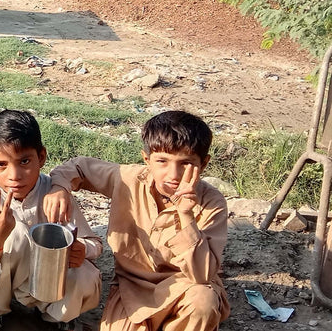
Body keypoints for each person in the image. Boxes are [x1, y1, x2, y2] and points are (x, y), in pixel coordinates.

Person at [44, 110, 229, 331]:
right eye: (162, 161)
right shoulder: (128, 179)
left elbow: (202, 276)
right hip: (133, 289)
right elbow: (78, 167)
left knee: (203, 302)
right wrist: (59, 188)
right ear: (147, 159)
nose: (173, 174)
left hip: (186, 286)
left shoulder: (212, 202)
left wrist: (186, 216)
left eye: (185, 163)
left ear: (204, 163)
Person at [0, 110, 102, 331]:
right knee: (14, 235)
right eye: (1, 164)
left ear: (42, 157)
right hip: (1, 280)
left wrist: (82, 249)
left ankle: (55, 318)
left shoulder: (56, 194)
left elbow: (94, 243)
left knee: (87, 276)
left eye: (25, 161)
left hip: (48, 282)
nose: (15, 175)